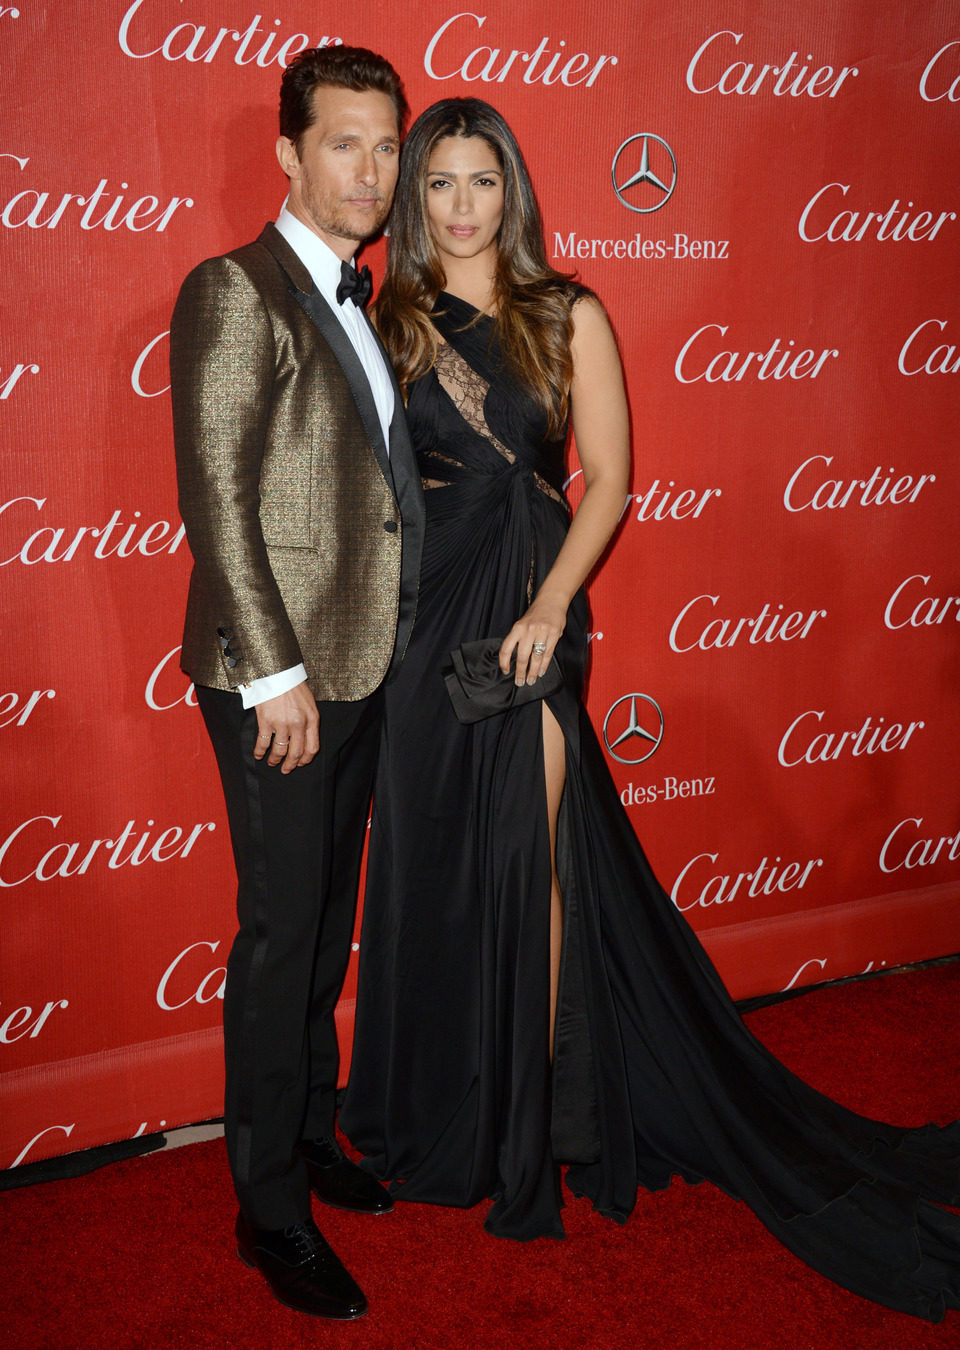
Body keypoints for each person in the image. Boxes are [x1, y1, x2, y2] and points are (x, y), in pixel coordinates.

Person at [338, 97, 960, 1322]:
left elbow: (611, 478)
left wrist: (545, 614)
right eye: (442, 185)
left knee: (535, 861)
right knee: (441, 875)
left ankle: (534, 1116)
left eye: (483, 182)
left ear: (512, 190)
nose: (463, 206)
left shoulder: (571, 312)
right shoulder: (386, 316)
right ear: (416, 200)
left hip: (529, 609)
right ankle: (443, 1101)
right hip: (421, 637)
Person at [169, 47, 424, 1320]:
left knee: (326, 923)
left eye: (387, 148)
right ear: (287, 152)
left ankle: (311, 1137)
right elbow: (217, 502)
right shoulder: (236, 288)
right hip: (277, 679)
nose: (371, 173)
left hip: (357, 664)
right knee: (280, 941)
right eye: (343, 144)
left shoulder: (357, 295)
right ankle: (269, 1209)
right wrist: (274, 677)